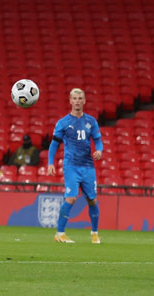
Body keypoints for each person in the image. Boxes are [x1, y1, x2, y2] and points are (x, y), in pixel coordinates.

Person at [47, 88, 103, 244]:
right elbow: (54, 144)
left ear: (84, 101)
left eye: (80, 98)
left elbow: (98, 140)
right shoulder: (63, 123)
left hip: (88, 166)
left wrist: (99, 150)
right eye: (75, 98)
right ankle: (60, 233)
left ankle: (94, 233)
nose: (77, 101)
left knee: (92, 200)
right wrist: (50, 162)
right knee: (71, 198)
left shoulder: (91, 121)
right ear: (70, 101)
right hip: (71, 166)